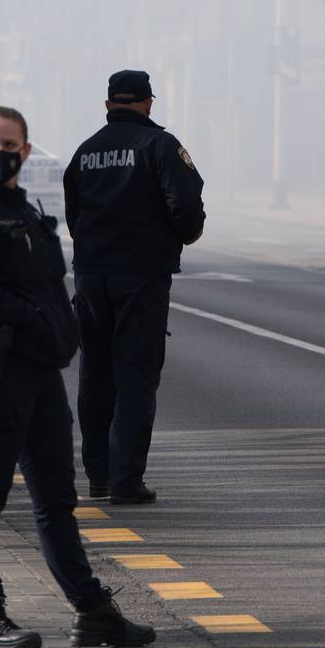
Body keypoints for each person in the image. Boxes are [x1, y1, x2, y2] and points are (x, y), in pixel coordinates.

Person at [0, 105, 155, 648]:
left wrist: (63, 328)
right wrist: (32, 316)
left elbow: (50, 286)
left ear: (26, 151)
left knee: (57, 498)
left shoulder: (29, 215)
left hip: (39, 378)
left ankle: (92, 612)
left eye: (8, 144)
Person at [64, 70, 205, 506]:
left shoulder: (85, 151)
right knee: (135, 376)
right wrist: (184, 235)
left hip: (91, 276)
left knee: (96, 375)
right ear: (147, 103)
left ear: (108, 105)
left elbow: (73, 214)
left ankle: (99, 477)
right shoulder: (160, 146)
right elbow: (186, 207)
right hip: (140, 278)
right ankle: (126, 481)